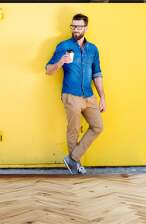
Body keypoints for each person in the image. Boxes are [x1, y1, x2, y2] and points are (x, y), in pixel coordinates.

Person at [45, 13, 105, 174]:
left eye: (79, 26)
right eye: (73, 26)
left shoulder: (93, 49)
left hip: (89, 96)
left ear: (86, 27)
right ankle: (75, 165)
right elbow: (48, 70)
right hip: (71, 95)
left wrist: (102, 97)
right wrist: (60, 62)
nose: (75, 29)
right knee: (74, 129)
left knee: (98, 127)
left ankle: (73, 158)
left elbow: (97, 73)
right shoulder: (63, 46)